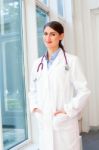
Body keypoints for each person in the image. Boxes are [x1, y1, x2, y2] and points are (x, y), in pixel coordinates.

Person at [29, 21, 90, 150]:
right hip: (44, 120)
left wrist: (68, 110)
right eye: (45, 34)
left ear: (61, 36)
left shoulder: (72, 61)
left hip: (64, 122)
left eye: (52, 34)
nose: (48, 38)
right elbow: (32, 90)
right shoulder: (37, 64)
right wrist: (34, 108)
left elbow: (84, 91)